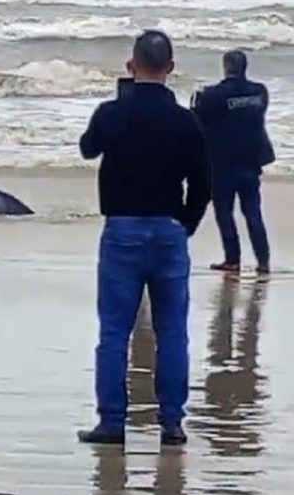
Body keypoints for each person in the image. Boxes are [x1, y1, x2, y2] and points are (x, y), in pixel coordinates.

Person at [77, 29, 212, 447]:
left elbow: (87, 148)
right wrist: (185, 224)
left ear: (131, 66)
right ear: (171, 69)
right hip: (169, 230)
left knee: (115, 332)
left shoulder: (112, 113)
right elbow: (203, 183)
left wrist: (120, 101)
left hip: (122, 230)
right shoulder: (186, 121)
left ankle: (112, 422)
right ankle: (171, 423)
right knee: (173, 330)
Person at [191, 50, 274, 274]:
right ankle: (263, 260)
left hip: (223, 162)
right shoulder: (260, 92)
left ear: (226, 66)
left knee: (224, 212)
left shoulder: (213, 95)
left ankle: (233, 259)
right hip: (250, 160)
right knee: (253, 212)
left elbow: (199, 122)